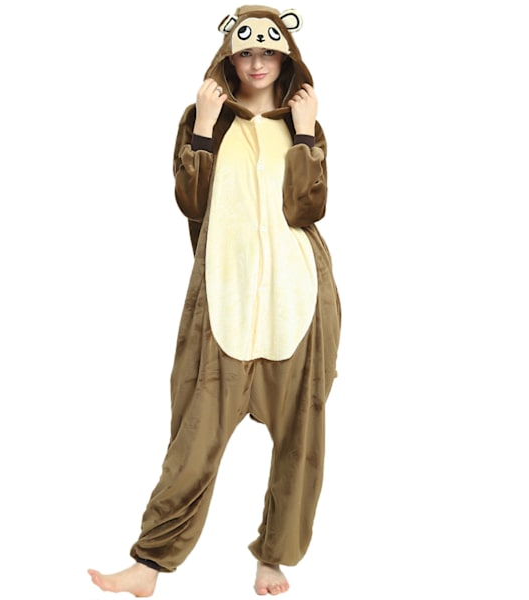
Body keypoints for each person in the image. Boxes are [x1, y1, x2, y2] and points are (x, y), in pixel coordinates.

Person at [88, 5, 341, 596]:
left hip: (299, 297)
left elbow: (307, 208)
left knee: (301, 438)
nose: (257, 62)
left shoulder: (303, 121)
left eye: (269, 51)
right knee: (195, 435)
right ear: (229, 56)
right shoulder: (203, 118)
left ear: (285, 56)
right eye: (246, 52)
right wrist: (203, 126)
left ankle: (273, 558)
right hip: (224, 295)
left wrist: (305, 133)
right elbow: (192, 202)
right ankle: (149, 565)